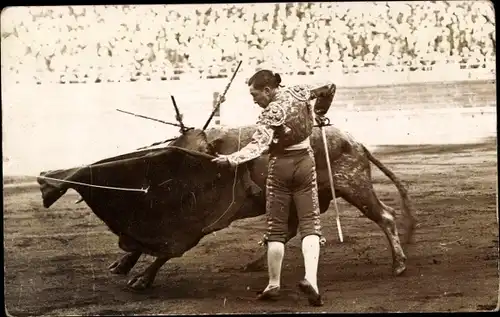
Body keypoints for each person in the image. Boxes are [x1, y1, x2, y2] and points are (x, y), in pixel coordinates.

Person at [212, 69, 336, 306]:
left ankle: (274, 283)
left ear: (268, 90)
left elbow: (256, 147)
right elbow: (328, 87)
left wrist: (229, 159)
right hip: (305, 163)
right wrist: (319, 112)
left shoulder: (271, 114)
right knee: (310, 224)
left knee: (276, 228)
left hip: (280, 168)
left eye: (255, 94)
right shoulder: (300, 92)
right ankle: (311, 280)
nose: (254, 100)